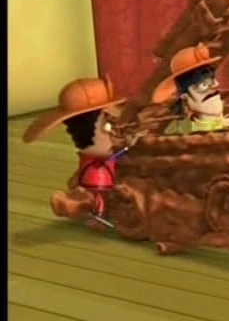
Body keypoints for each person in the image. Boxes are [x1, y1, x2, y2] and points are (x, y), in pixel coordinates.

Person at [22, 77, 144, 228]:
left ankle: (91, 210)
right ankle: (91, 210)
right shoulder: (104, 131)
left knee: (100, 194)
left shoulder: (102, 132)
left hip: (100, 172)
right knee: (98, 195)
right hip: (99, 173)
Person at [151, 43, 229, 133]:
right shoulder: (179, 127)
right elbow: (176, 129)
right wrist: (218, 125)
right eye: (204, 85)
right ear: (185, 97)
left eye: (213, 79)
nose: (215, 85)